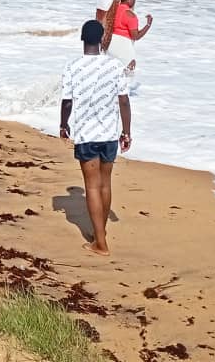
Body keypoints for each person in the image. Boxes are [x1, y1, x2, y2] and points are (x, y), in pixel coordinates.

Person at [60, 20, 132, 256]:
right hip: (109, 134)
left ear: (82, 38)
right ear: (102, 39)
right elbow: (123, 101)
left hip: (86, 134)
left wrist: (63, 125)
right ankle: (101, 231)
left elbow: (67, 102)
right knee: (105, 184)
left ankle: (100, 243)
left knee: (91, 186)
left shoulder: (73, 66)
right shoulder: (115, 65)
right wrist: (126, 132)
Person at [101, 0, 153, 76]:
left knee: (112, 74)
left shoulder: (113, 10)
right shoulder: (130, 15)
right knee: (127, 75)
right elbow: (135, 36)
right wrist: (148, 25)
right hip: (124, 46)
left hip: (110, 44)